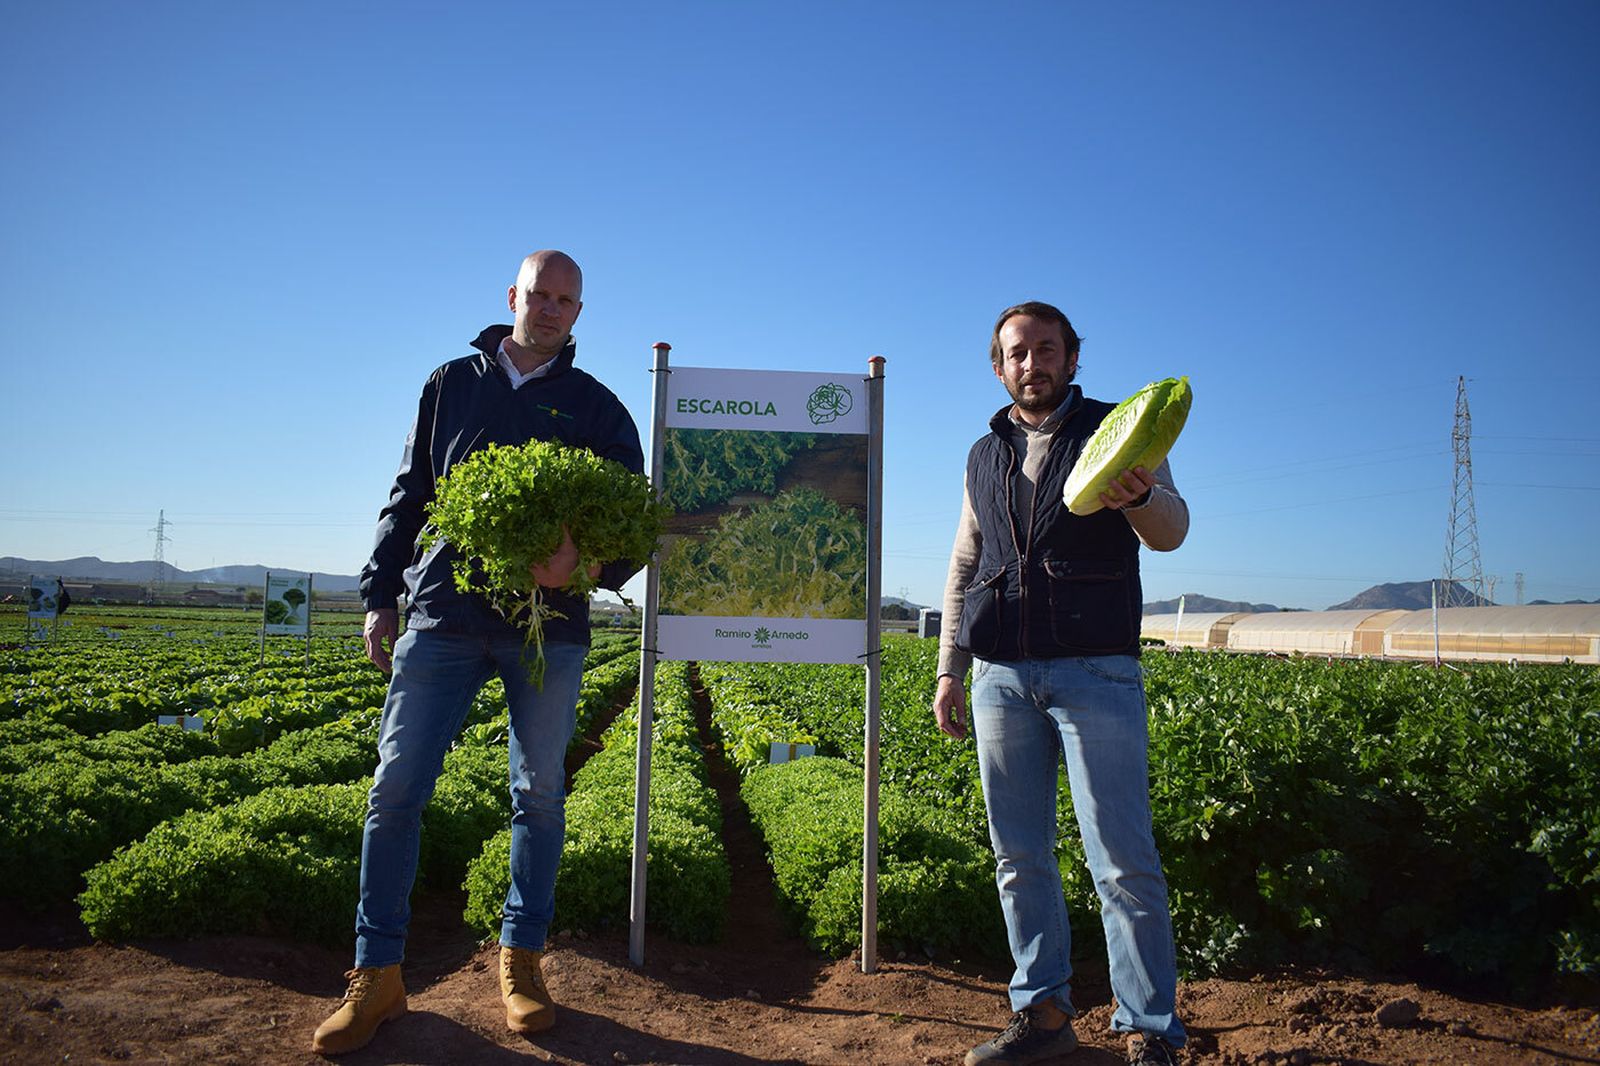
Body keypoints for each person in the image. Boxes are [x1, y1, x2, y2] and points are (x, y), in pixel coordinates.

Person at [313, 250, 646, 1056]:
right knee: (395, 789)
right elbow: (409, 494)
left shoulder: (596, 405)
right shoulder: (450, 382)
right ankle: (378, 973)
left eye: (568, 300)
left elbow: (633, 518)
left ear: (579, 311)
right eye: (541, 295)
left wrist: (587, 567)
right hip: (442, 615)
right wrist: (377, 594)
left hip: (550, 626)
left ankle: (522, 959)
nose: (553, 309)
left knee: (538, 794)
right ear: (513, 297)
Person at [933, 301, 1190, 1066]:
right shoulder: (985, 453)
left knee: (1121, 859)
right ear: (999, 366)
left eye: (1047, 350)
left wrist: (1141, 498)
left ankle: (1148, 1027)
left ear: (1072, 360)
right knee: (1019, 857)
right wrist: (950, 666)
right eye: (1017, 352)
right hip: (1000, 675)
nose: (1032, 363)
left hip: (1095, 670)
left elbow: (1173, 530)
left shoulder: (1122, 432)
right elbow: (963, 564)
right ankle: (1042, 1012)